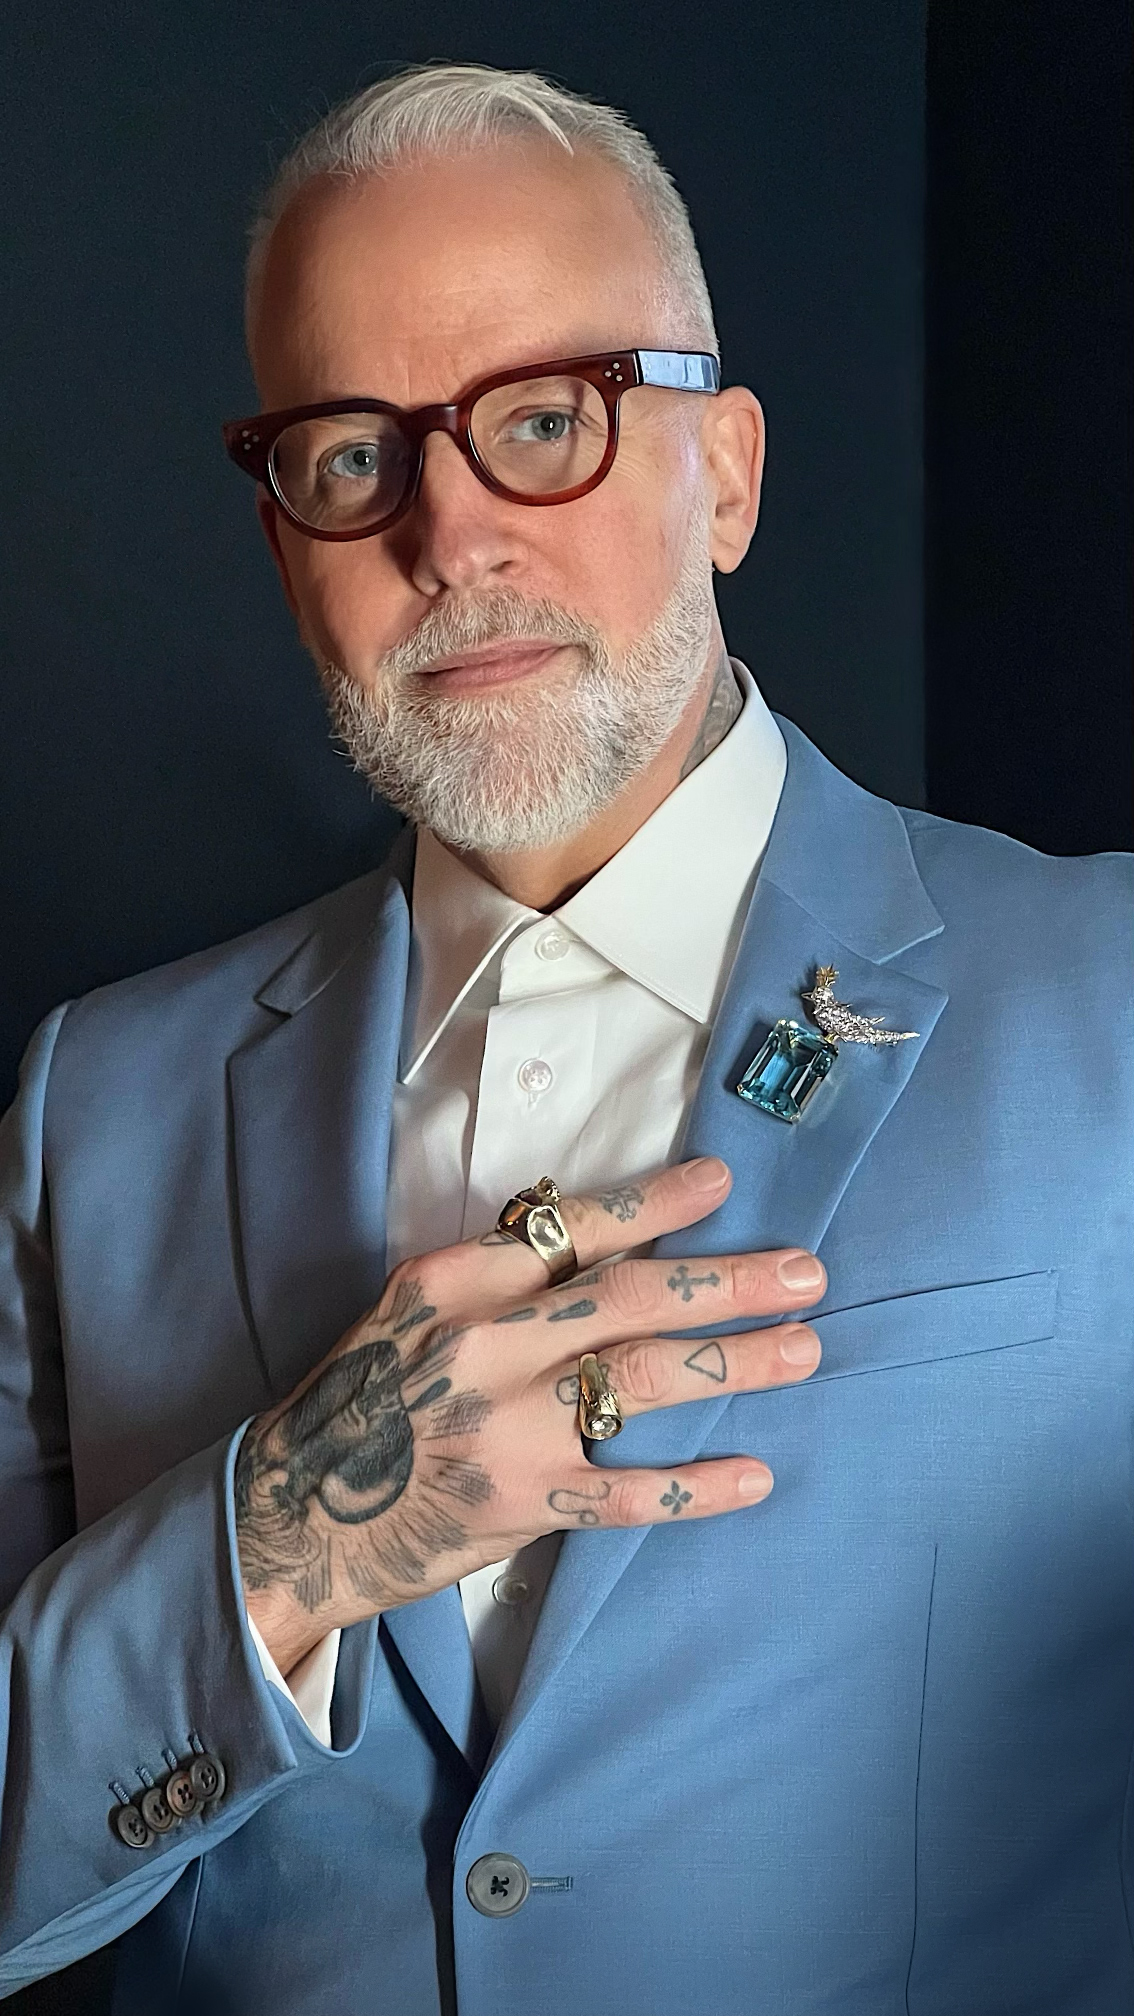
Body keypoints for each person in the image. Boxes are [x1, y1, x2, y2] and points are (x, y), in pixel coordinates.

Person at [0, 59, 1130, 2016]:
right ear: (285, 547)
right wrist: (277, 1543)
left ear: (728, 475)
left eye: (545, 419)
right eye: (352, 458)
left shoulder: (1109, 998)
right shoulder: (86, 1108)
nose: (451, 536)